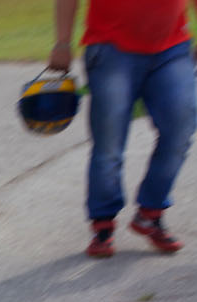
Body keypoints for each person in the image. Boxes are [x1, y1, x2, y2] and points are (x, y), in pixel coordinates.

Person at [49, 0, 197, 256]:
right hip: (111, 48)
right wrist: (62, 42)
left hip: (172, 48)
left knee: (180, 127)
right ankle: (103, 224)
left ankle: (150, 213)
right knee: (109, 142)